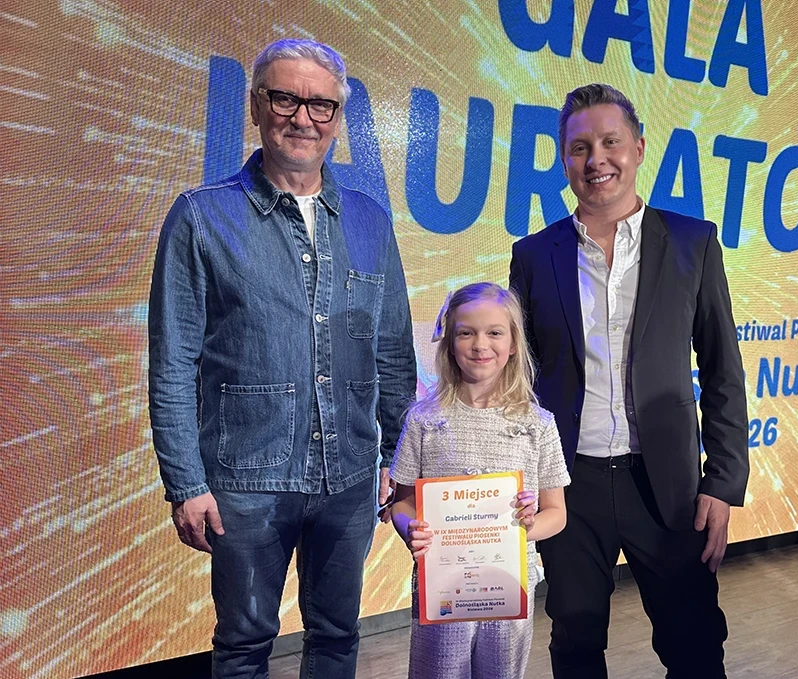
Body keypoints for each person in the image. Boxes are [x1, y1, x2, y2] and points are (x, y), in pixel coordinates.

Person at [147, 39, 416, 678]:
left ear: (338, 118)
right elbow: (172, 364)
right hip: (246, 480)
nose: (303, 118)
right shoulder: (201, 217)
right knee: (244, 646)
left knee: (337, 635)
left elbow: (392, 352)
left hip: (350, 477)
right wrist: (186, 484)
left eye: (321, 105)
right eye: (285, 98)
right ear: (256, 106)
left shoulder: (370, 221)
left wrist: (398, 459)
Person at [509, 83, 750, 678]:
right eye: (579, 147)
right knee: (575, 644)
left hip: (667, 487)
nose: (596, 160)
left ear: (638, 148)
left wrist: (722, 483)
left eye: (610, 142)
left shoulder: (693, 242)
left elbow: (723, 370)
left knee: (695, 646)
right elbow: (517, 383)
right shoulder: (533, 256)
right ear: (564, 159)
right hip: (569, 487)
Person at [388, 282, 571, 679]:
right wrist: (410, 529)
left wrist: (526, 526)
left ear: (513, 343)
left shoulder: (538, 425)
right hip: (442, 586)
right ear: (450, 342)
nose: (480, 345)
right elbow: (402, 502)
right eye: (466, 333)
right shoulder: (424, 420)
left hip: (508, 586)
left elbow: (557, 513)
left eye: (494, 333)